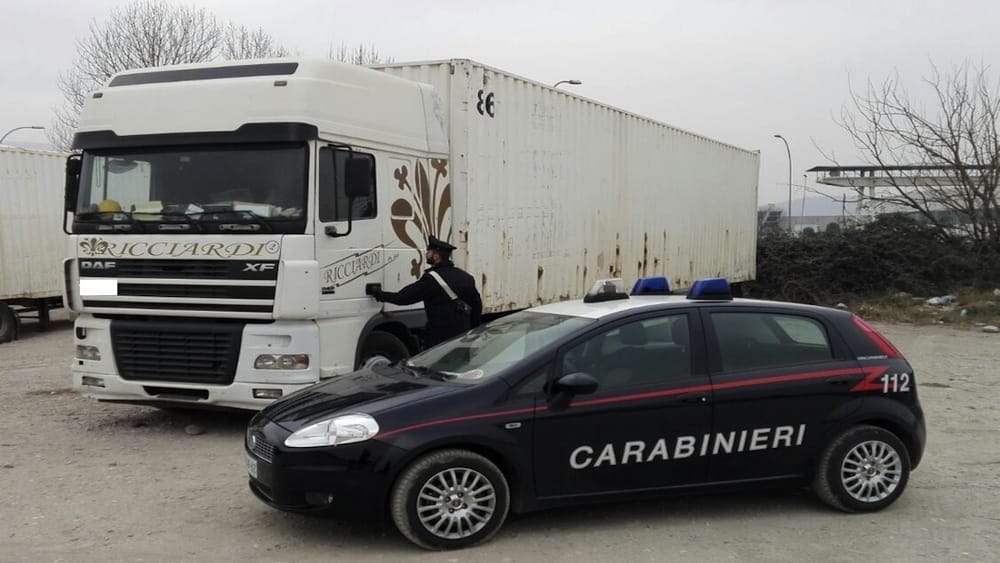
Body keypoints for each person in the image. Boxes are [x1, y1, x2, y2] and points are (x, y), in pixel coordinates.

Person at [369, 236, 483, 347]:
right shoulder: (466, 277)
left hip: (440, 340)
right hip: (462, 337)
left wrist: (379, 294)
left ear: (436, 256)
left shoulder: (432, 279)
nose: (426, 254)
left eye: (429, 252)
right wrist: (471, 329)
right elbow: (477, 306)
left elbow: (404, 297)